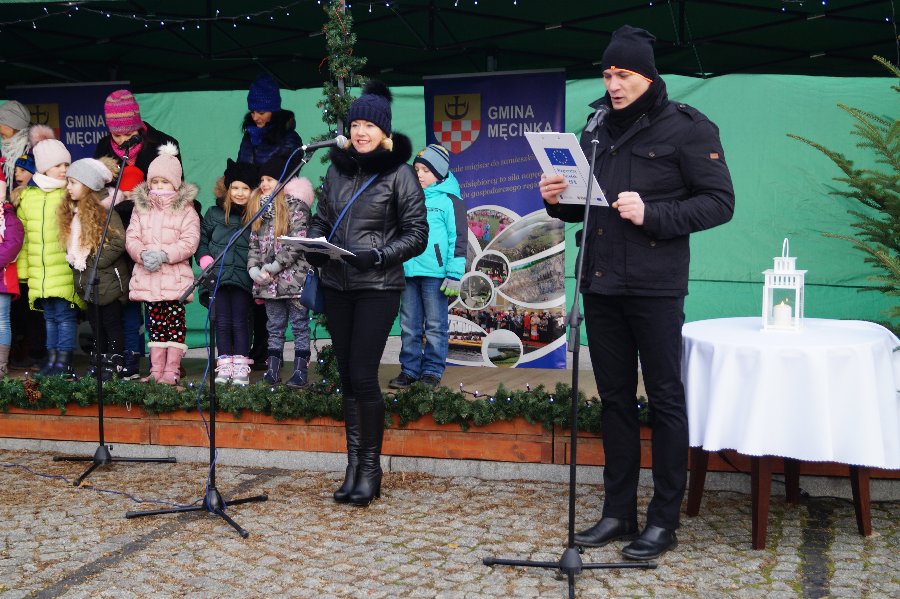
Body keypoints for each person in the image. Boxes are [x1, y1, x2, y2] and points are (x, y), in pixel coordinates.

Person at [539, 25, 735, 561]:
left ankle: (663, 521)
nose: (613, 84)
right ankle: (618, 512)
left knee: (666, 399)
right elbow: (585, 203)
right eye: (607, 74)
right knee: (615, 401)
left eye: (623, 74)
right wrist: (557, 199)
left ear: (647, 76)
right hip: (600, 283)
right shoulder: (594, 128)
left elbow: (720, 203)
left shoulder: (689, 128)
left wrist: (654, 214)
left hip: (655, 286)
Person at [306, 81, 428, 507]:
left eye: (369, 125)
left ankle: (371, 468)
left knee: (362, 374)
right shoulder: (336, 171)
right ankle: (353, 466)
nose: (360, 132)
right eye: (355, 124)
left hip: (378, 286)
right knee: (347, 378)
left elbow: (417, 235)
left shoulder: (400, 174)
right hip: (337, 285)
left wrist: (377, 255)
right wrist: (314, 244)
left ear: (384, 132)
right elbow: (321, 219)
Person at [237, 73, 304, 371]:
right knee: (257, 288)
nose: (256, 116)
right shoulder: (248, 135)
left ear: (274, 110)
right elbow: (243, 168)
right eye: (253, 111)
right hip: (253, 208)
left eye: (261, 111)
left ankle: (271, 351)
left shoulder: (290, 138)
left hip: (278, 210)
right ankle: (258, 348)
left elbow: (288, 173)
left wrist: (266, 185)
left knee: (279, 294)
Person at [389, 143, 466, 390]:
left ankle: (432, 370)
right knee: (409, 325)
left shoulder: (450, 201)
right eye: (417, 169)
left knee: (435, 325)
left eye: (426, 170)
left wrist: (454, 273)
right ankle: (409, 369)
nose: (419, 174)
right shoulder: (407, 198)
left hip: (436, 274)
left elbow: (458, 238)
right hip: (409, 271)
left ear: (440, 173)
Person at [126, 143, 200, 385]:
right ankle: (156, 369)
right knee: (155, 325)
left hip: (174, 279)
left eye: (164, 182)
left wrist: (164, 255)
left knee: (174, 325)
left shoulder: (186, 210)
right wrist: (142, 254)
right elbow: (132, 237)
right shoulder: (141, 208)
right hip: (149, 278)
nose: (158, 187)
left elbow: (189, 242)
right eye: (155, 182)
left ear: (176, 184)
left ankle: (172, 369)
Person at [14, 126, 85, 376]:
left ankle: (63, 361)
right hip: (40, 273)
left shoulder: (70, 195)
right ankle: (52, 359)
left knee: (65, 317)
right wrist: (24, 273)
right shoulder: (28, 198)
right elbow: (24, 239)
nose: (64, 169)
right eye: (58, 165)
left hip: (64, 270)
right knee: (49, 318)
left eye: (66, 164)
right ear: (44, 168)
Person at [246, 156, 314, 388]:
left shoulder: (296, 207)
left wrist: (275, 266)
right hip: (268, 283)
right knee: (273, 327)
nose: (264, 184)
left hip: (294, 282)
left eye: (270, 179)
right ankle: (272, 371)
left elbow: (297, 242)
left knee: (299, 325)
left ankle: (300, 371)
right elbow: (253, 244)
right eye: (262, 180)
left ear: (283, 181)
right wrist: (253, 269)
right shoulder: (259, 210)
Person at [58, 158, 130, 379]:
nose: (68, 187)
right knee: (96, 324)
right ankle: (98, 360)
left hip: (107, 282)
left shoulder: (105, 212)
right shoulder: (75, 213)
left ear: (88, 185)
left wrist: (96, 263)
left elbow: (118, 241)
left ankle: (113, 362)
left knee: (111, 323)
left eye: (73, 182)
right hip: (88, 281)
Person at [196, 159, 260, 386]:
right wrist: (204, 258)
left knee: (240, 321)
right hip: (218, 277)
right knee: (221, 321)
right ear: (227, 189)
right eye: (235, 187)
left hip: (243, 278)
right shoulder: (214, 214)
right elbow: (201, 240)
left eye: (245, 188)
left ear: (253, 191)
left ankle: (241, 365)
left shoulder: (256, 216)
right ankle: (224, 365)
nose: (239, 193)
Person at [105, 165, 147, 379]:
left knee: (129, 321)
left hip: (129, 276)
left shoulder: (120, 212)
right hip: (122, 276)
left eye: (133, 192)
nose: (129, 197)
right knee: (128, 321)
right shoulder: (113, 213)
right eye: (126, 192)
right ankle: (129, 359)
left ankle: (128, 359)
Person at [94, 89, 181, 176]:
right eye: (116, 135)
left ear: (138, 127)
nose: (123, 140)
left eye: (128, 134)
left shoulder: (166, 145)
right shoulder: (103, 148)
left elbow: (176, 182)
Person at [0, 162, 24, 377]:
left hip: (3, 280)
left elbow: (11, 247)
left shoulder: (10, 219)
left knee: (1, 321)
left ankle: (1, 364)